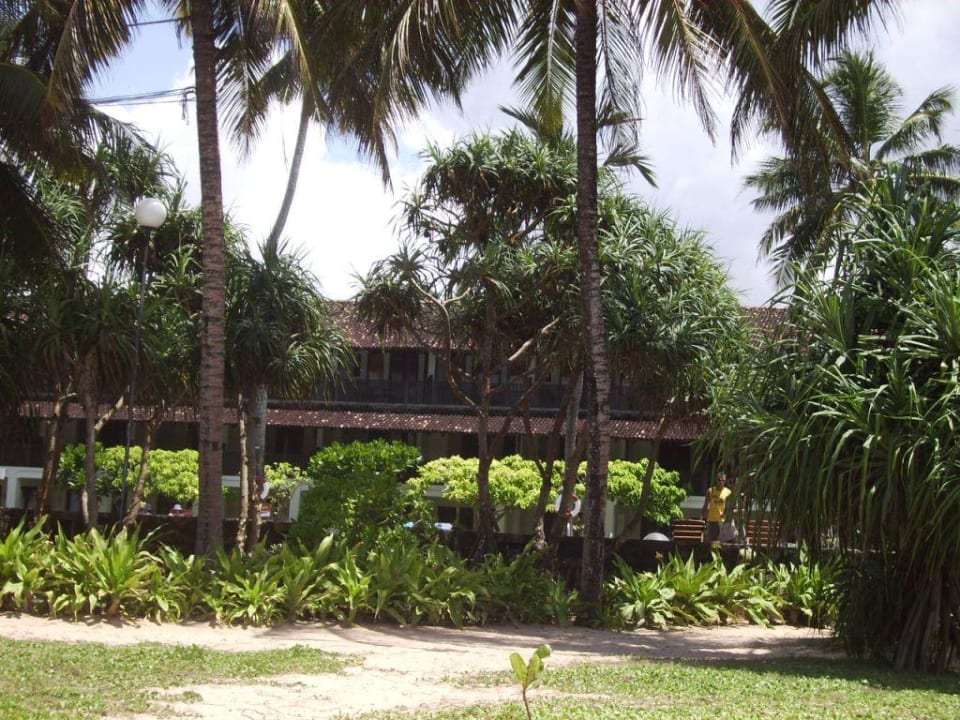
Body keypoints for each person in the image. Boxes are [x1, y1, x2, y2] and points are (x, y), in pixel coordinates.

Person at [701, 472, 732, 543]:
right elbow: (705, 505)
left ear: (725, 481)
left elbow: (728, 507)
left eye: (723, 480)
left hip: (722, 521)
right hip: (712, 520)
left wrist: (726, 516)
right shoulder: (710, 491)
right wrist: (703, 517)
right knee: (711, 542)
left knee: (722, 542)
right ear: (716, 480)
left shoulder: (728, 492)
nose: (721, 482)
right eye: (719, 480)